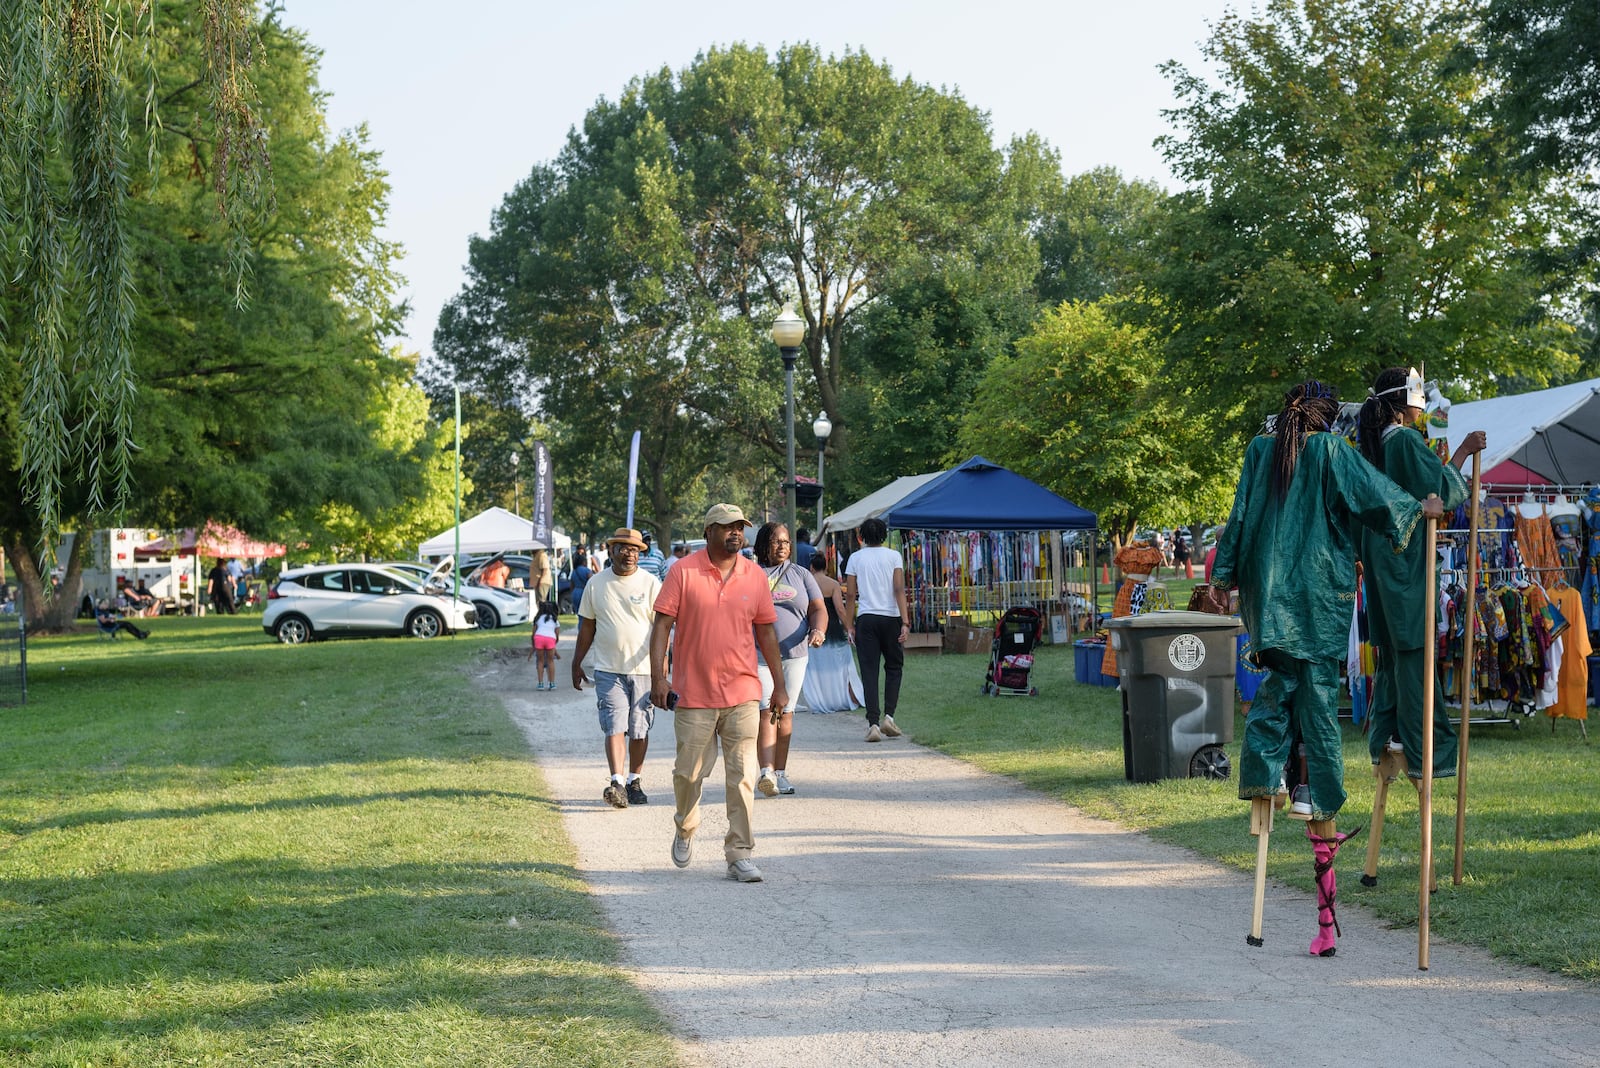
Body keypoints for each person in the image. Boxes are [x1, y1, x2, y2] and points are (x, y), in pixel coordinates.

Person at [1210, 378, 1443, 957]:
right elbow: (1374, 496)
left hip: (1270, 604)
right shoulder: (1331, 451)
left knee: (1276, 689)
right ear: (1325, 417)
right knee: (1316, 699)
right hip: (1317, 600)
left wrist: (1222, 579)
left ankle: (1268, 780)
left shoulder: (1260, 450)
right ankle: (1318, 798)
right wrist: (1420, 506)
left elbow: (1237, 521)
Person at [1356, 367, 1484, 786]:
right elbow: (1439, 489)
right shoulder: (1403, 440)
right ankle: (1424, 747)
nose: (1422, 400)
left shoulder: (1372, 446)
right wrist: (1464, 450)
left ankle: (1387, 735)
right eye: (1416, 394)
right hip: (1403, 560)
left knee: (1394, 655)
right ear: (1401, 401)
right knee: (1411, 651)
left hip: (1382, 559)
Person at [650, 503, 786, 884]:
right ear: (708, 531)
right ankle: (685, 825)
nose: (736, 534)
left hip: (742, 692)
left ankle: (739, 852)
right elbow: (662, 626)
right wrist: (659, 678)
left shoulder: (754, 576)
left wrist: (779, 684)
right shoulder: (682, 572)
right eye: (727, 527)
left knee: (742, 774)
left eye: (740, 528)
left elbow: (766, 633)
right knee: (688, 774)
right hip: (693, 694)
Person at [573, 528, 662, 809]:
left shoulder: (650, 583)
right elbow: (587, 627)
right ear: (611, 551)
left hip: (644, 669)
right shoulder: (596, 584)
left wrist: (662, 671)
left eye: (635, 549)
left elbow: (662, 630)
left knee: (639, 727)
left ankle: (634, 780)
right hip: (608, 669)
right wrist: (576, 662)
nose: (629, 553)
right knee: (614, 724)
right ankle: (617, 782)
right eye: (623, 548)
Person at [752, 522, 827, 797]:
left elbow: (818, 608)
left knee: (785, 713)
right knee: (766, 710)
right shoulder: (751, 574)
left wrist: (818, 630)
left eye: (786, 542)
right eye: (776, 541)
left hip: (795, 654)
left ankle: (780, 773)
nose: (782, 546)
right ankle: (766, 772)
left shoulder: (801, 575)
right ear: (763, 546)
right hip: (758, 655)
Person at [843, 517, 910, 743]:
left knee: (869, 671)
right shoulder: (894, 556)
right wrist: (905, 622)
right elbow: (899, 589)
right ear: (883, 535)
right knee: (894, 667)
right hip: (891, 618)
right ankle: (889, 717)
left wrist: (849, 624)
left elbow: (851, 595)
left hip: (867, 619)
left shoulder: (855, 558)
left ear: (861, 536)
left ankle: (872, 723)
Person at [802, 553, 864, 712]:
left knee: (816, 667)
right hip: (834, 630)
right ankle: (844, 697)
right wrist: (849, 626)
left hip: (813, 629)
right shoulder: (833, 584)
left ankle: (822, 699)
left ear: (811, 567)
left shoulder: (806, 583)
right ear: (825, 566)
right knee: (841, 666)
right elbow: (840, 609)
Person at [530, 601, 561, 689]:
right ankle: (552, 683)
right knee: (550, 661)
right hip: (550, 638)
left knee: (540, 661)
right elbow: (557, 635)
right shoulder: (555, 620)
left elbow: (533, 633)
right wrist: (554, 644)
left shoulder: (537, 619)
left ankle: (540, 684)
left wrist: (533, 644)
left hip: (538, 638)